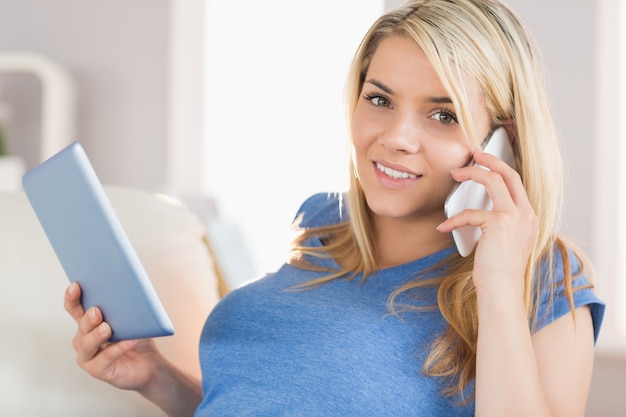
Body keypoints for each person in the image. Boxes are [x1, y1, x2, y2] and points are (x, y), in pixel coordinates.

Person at [64, 0, 605, 415]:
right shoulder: (324, 224)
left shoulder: (544, 279)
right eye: (380, 99)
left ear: (501, 142)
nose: (396, 137)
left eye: (443, 115)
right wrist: (156, 378)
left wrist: (498, 285)